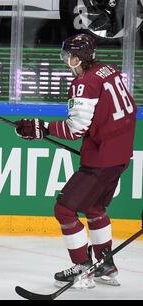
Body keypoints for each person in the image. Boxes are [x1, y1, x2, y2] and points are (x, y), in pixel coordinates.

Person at [14, 34, 137, 288]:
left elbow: (75, 129)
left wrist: (41, 128)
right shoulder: (109, 70)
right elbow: (127, 109)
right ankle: (105, 265)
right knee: (94, 209)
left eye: (67, 55)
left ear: (77, 58)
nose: (64, 59)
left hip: (102, 160)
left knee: (65, 210)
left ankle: (83, 268)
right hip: (120, 156)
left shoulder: (84, 83)